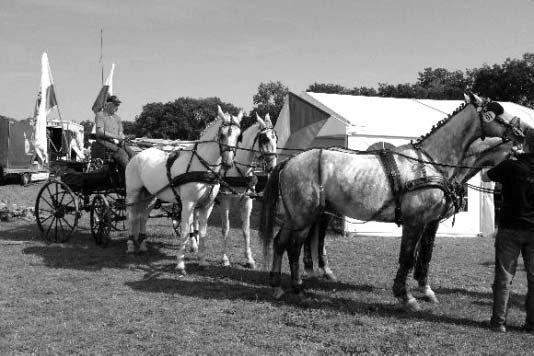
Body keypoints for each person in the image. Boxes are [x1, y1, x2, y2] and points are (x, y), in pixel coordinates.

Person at [482, 129, 534, 334]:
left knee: (504, 277)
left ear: (526, 145)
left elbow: (486, 177)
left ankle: (498, 322)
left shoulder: (511, 165)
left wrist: (507, 157)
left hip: (510, 229)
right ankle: (531, 324)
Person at [93, 95, 135, 176]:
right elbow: (99, 132)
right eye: (116, 105)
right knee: (122, 154)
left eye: (118, 105)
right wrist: (117, 137)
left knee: (133, 154)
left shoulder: (117, 118)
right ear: (108, 104)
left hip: (116, 142)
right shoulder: (100, 115)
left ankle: (132, 175)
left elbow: (120, 133)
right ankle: (129, 177)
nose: (117, 107)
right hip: (103, 141)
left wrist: (123, 138)